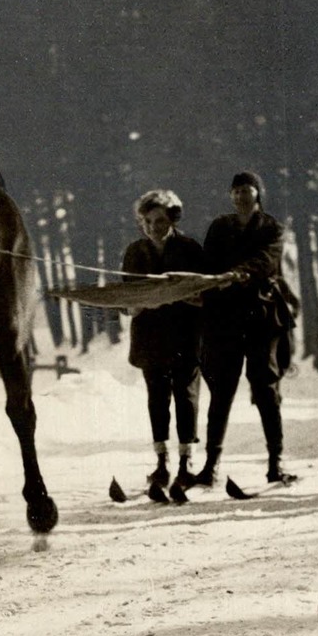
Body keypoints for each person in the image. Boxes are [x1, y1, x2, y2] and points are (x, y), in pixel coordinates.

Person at [192, 170, 296, 487]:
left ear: (257, 194)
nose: (240, 196)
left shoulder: (272, 227)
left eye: (246, 190)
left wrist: (239, 273)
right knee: (221, 391)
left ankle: (275, 464)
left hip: (262, 318)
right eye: (235, 191)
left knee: (265, 389)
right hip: (224, 320)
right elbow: (206, 264)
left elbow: (267, 260)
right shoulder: (219, 227)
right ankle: (210, 467)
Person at [121, 189, 205, 491]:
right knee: (157, 399)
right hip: (149, 339)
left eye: (160, 220)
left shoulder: (189, 248)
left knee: (185, 397)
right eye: (148, 221)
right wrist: (133, 305)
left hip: (184, 336)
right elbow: (125, 294)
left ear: (172, 219)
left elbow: (206, 291)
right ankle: (161, 464)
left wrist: (194, 298)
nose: (154, 226)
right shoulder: (135, 252)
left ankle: (186, 463)